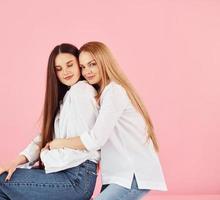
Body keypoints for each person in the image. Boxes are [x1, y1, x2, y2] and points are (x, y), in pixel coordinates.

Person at [0, 43, 100, 200]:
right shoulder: (65, 100)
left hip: (77, 177)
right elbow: (44, 139)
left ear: (79, 65)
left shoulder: (82, 91)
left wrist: (51, 149)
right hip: (69, 174)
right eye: (58, 69)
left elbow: (89, 142)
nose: (65, 72)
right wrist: (14, 162)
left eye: (70, 65)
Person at [48, 41, 167, 200]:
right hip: (117, 175)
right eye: (83, 67)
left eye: (92, 64)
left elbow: (96, 139)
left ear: (104, 62)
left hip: (132, 175)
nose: (87, 71)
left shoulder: (114, 92)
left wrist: (59, 143)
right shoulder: (102, 94)